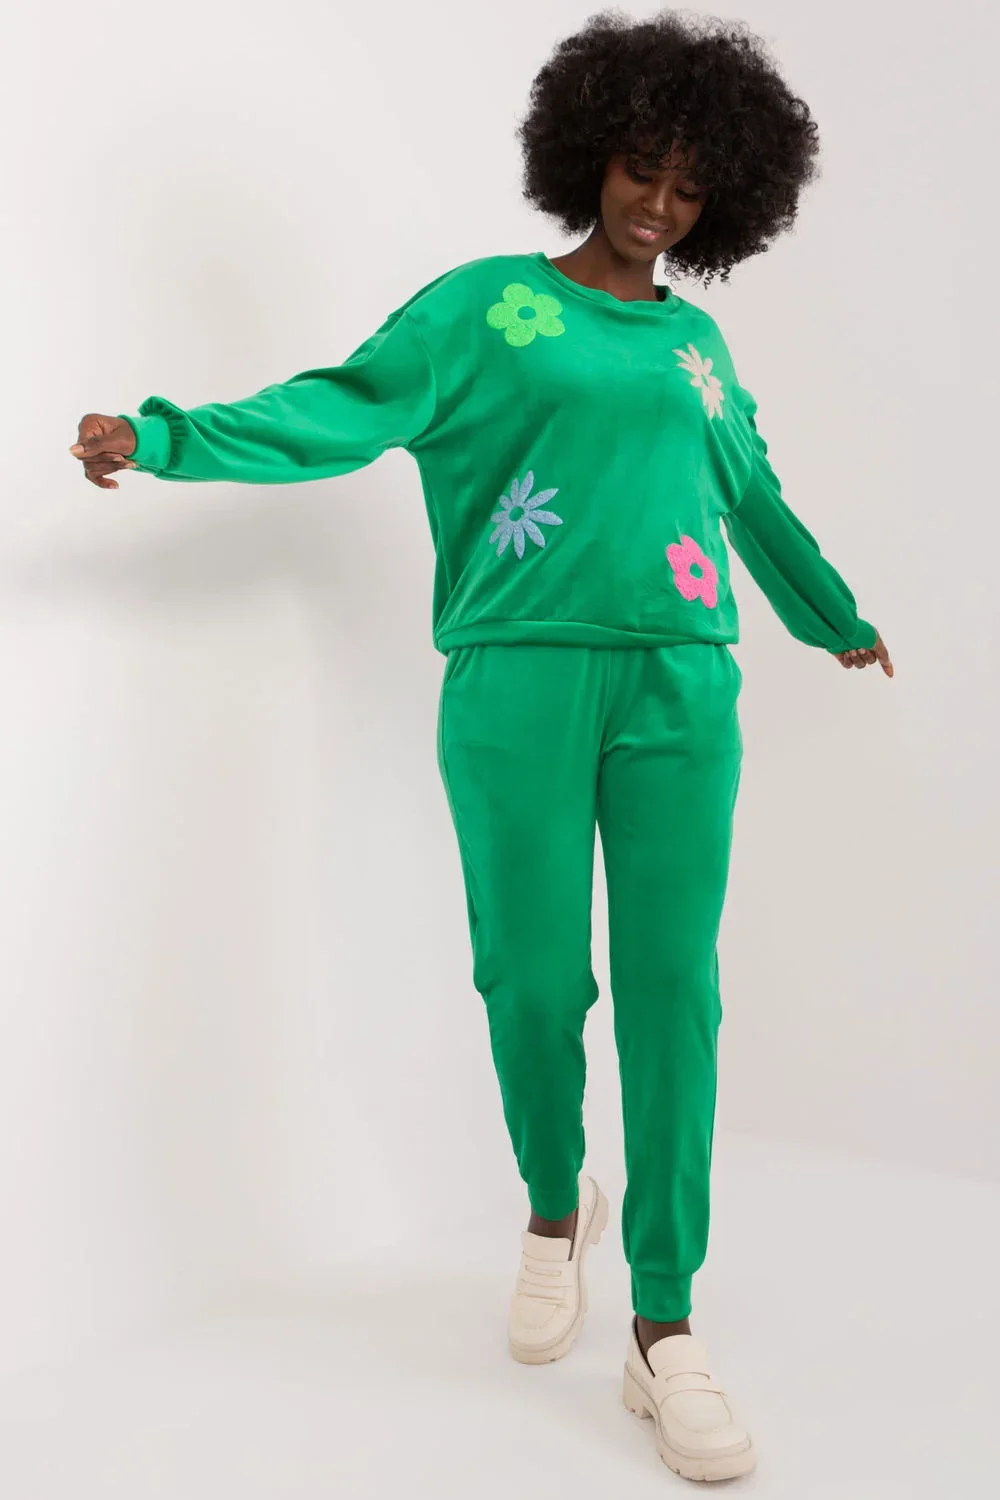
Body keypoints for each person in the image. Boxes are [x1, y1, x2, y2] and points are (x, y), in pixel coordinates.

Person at [69, 8, 893, 1484]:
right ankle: (551, 1207)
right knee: (531, 979)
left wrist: (830, 613)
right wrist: (166, 436)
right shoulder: (484, 308)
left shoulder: (697, 344)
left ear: (722, 204)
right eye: (639, 169)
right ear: (591, 156)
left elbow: (751, 495)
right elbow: (342, 407)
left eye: (689, 187)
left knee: (675, 995)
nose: (657, 205)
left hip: (681, 687)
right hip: (514, 679)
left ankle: (664, 1325)